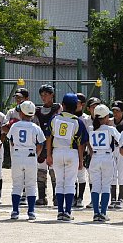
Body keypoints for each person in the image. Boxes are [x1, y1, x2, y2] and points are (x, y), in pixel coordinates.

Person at [45, 93, 89, 221]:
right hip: (71, 152)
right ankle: (68, 212)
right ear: (76, 106)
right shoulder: (77, 121)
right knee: (70, 183)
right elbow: (81, 143)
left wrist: (48, 155)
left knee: (59, 182)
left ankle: (60, 211)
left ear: (63, 105)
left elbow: (49, 137)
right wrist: (80, 160)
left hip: (57, 152)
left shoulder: (55, 118)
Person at [7, 100, 45, 220]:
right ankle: (31, 211)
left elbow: (11, 140)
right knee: (31, 185)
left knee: (17, 185)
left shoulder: (15, 125)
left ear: (22, 113)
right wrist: (36, 155)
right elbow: (40, 144)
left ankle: (15, 211)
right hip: (30, 155)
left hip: (17, 155)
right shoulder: (35, 127)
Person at [87, 104, 121, 222]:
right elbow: (121, 140)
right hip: (107, 157)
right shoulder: (110, 129)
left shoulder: (91, 128)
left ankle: (96, 213)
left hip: (95, 157)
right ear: (106, 117)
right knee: (106, 185)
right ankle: (103, 213)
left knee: (95, 186)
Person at [34, 84, 61, 206]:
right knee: (41, 171)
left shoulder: (57, 108)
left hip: (53, 144)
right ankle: (41, 197)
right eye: (42, 95)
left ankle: (56, 197)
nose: (43, 97)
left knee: (54, 171)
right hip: (41, 143)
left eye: (46, 94)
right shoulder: (37, 111)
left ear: (52, 95)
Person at [110, 100, 123, 209]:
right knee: (112, 174)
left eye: (117, 111)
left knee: (121, 173)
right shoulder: (109, 121)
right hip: (112, 150)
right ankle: (113, 198)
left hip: (122, 150)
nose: (115, 113)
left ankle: (120, 198)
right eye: (114, 111)